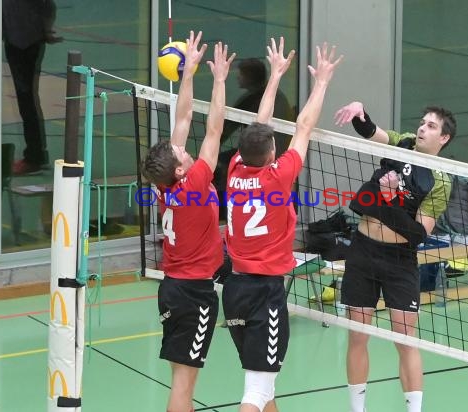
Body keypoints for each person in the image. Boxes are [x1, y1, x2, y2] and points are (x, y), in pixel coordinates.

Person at [222, 38, 342, 412]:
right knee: (256, 393)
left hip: (234, 290)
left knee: (266, 387)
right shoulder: (279, 176)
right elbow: (303, 126)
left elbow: (259, 125)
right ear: (272, 153)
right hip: (265, 296)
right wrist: (321, 82)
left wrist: (273, 77)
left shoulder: (234, 169)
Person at [334, 102, 456, 412]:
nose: (422, 128)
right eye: (422, 122)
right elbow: (372, 133)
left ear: (444, 138)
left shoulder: (440, 180)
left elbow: (418, 234)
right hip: (363, 251)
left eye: (430, 126)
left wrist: (389, 200)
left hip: (398, 261)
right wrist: (361, 115)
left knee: (405, 339)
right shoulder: (402, 142)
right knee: (358, 336)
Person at [141, 31, 235, 412]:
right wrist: (219, 80)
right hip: (194, 295)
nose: (183, 146)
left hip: (174, 289)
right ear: (181, 170)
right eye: (181, 151)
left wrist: (188, 73)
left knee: (184, 379)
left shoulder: (168, 188)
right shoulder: (195, 182)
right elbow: (213, 128)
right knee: (184, 384)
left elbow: (183, 117)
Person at [214, 57, 296, 220]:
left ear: (250, 76)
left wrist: (214, 147)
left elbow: (223, 130)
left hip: (269, 154)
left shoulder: (257, 99)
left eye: (241, 74)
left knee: (223, 164)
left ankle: (225, 212)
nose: (238, 77)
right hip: (264, 151)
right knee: (222, 160)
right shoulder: (257, 97)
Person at [2, 0, 63, 175]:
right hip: (14, 39)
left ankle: (34, 157)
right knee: (25, 99)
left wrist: (46, 29)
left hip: (26, 42)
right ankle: (35, 155)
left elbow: (47, 6)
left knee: (26, 99)